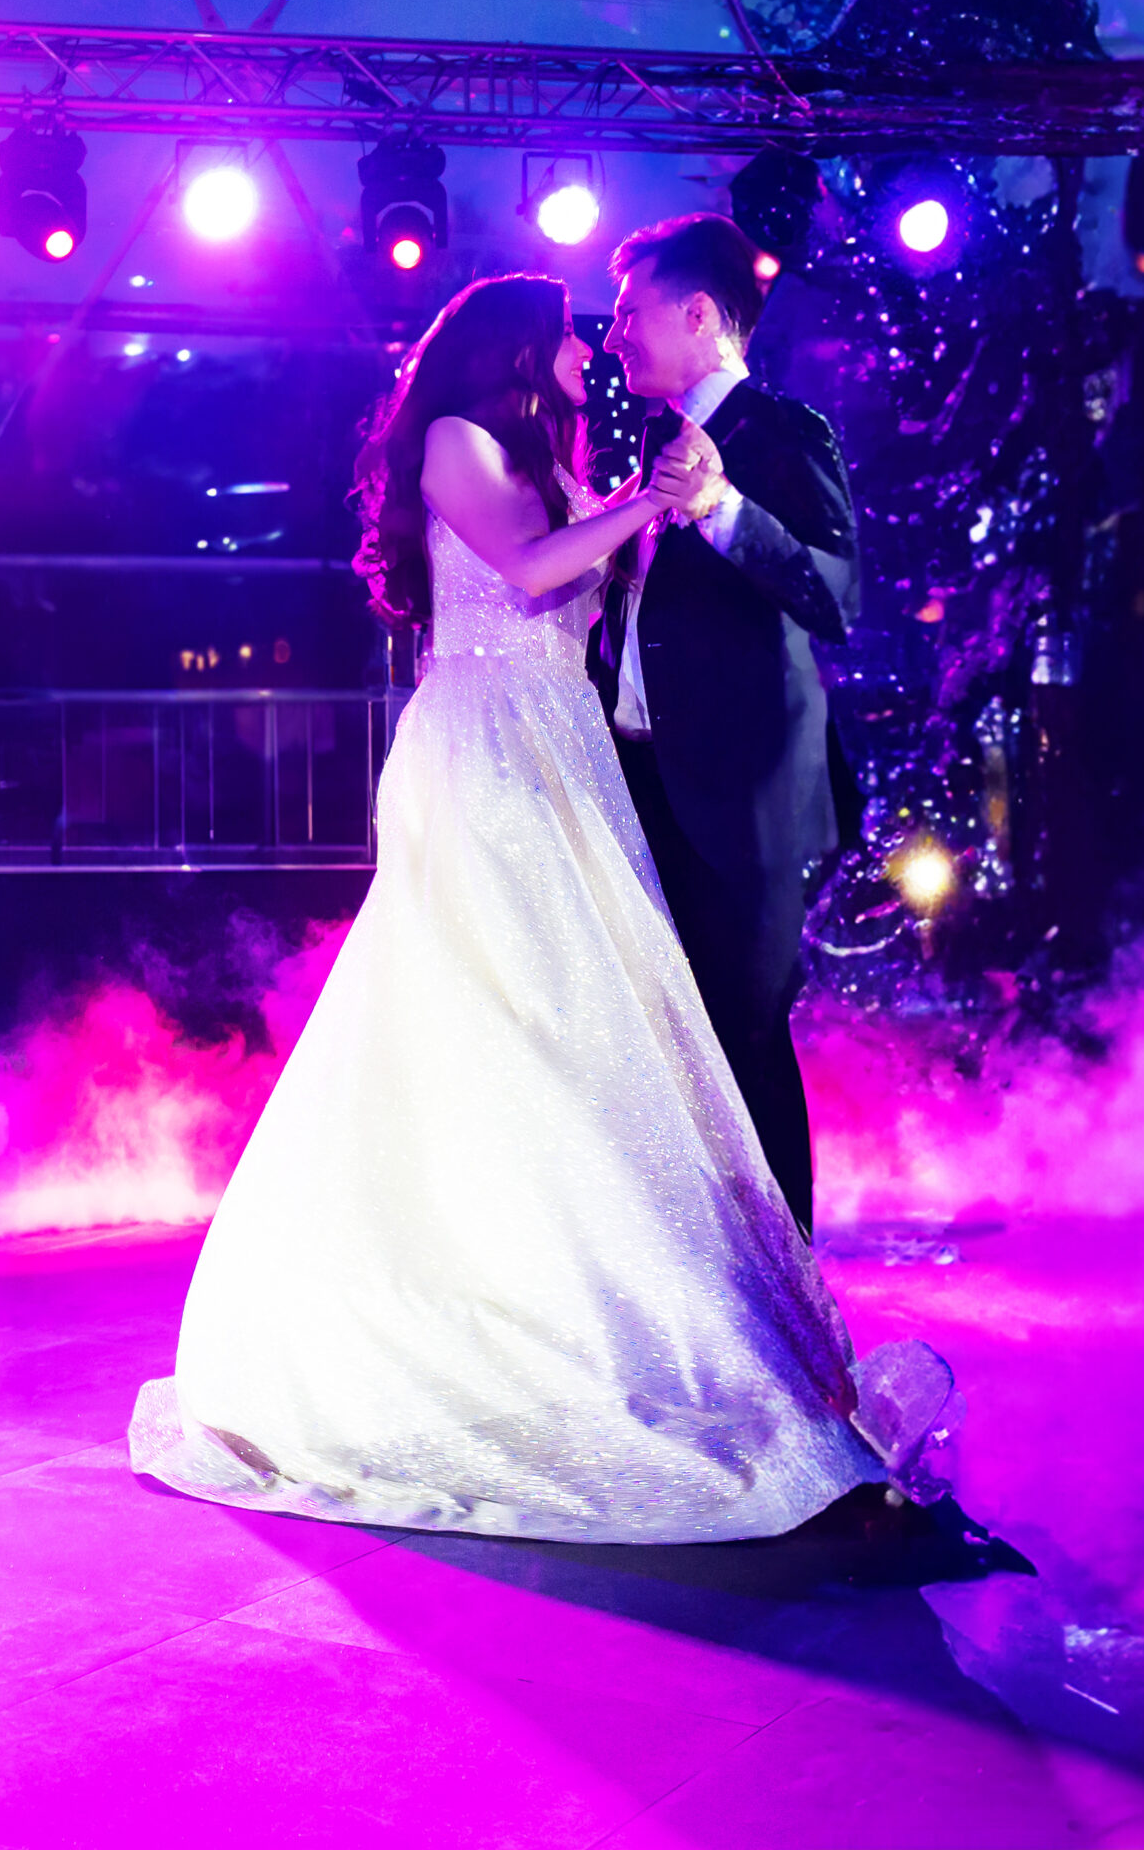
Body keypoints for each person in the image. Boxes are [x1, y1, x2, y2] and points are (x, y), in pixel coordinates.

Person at [129, 273, 904, 1543]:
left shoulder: (557, 447)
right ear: (511, 349)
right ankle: (477, 1313)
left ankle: (646, 1301)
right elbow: (535, 568)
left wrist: (651, 506)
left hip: (562, 746)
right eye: (565, 332)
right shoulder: (456, 439)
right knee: (498, 1005)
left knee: (594, 1027)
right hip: (491, 754)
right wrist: (650, 505)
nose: (588, 347)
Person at [594, 214, 860, 1237]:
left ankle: (786, 1292)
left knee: (745, 1034)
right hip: (643, 787)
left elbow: (836, 596)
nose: (614, 334)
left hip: (744, 795)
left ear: (698, 314)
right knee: (666, 1046)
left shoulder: (783, 434)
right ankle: (698, 1270)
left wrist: (721, 509)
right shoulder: (644, 444)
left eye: (629, 313)